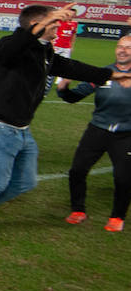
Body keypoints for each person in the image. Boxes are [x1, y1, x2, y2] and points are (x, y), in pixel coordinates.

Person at [0, 4, 126, 245]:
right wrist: (47, 19)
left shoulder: (44, 51)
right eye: (55, 23)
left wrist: (113, 75)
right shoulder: (11, 45)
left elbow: (72, 67)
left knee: (25, 182)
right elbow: (13, 47)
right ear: (37, 25)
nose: (59, 26)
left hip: (21, 128)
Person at [57, 32, 131, 232]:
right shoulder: (103, 73)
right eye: (120, 46)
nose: (122, 50)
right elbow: (72, 97)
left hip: (126, 136)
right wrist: (63, 88)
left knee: (124, 178)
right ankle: (78, 210)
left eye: (128, 47)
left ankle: (117, 216)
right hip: (97, 130)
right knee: (77, 171)